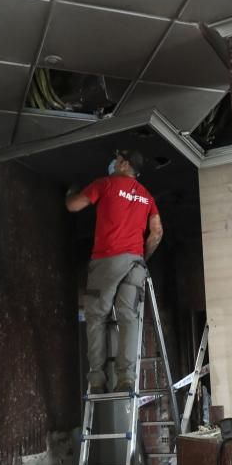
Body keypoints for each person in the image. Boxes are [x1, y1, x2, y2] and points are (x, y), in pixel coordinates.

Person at [66, 148, 163, 394]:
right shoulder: (147, 196)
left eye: (118, 159)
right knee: (128, 318)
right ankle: (127, 378)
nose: (114, 162)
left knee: (97, 317)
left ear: (123, 164)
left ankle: (97, 379)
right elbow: (157, 232)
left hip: (106, 261)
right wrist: (141, 257)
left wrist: (70, 193)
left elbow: (74, 206)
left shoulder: (106, 184)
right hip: (135, 263)